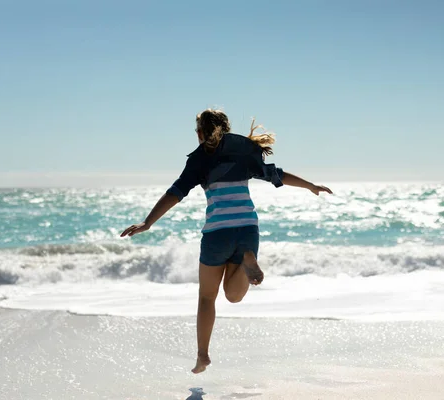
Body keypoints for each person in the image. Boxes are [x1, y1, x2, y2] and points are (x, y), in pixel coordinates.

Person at [120, 109, 332, 374]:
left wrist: (148, 222)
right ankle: (246, 260)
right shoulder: (243, 150)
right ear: (227, 128)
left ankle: (203, 355)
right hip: (247, 229)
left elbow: (175, 193)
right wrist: (310, 185)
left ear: (199, 133)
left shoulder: (198, 160)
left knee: (208, 298)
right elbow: (276, 174)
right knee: (234, 296)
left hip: (217, 232)